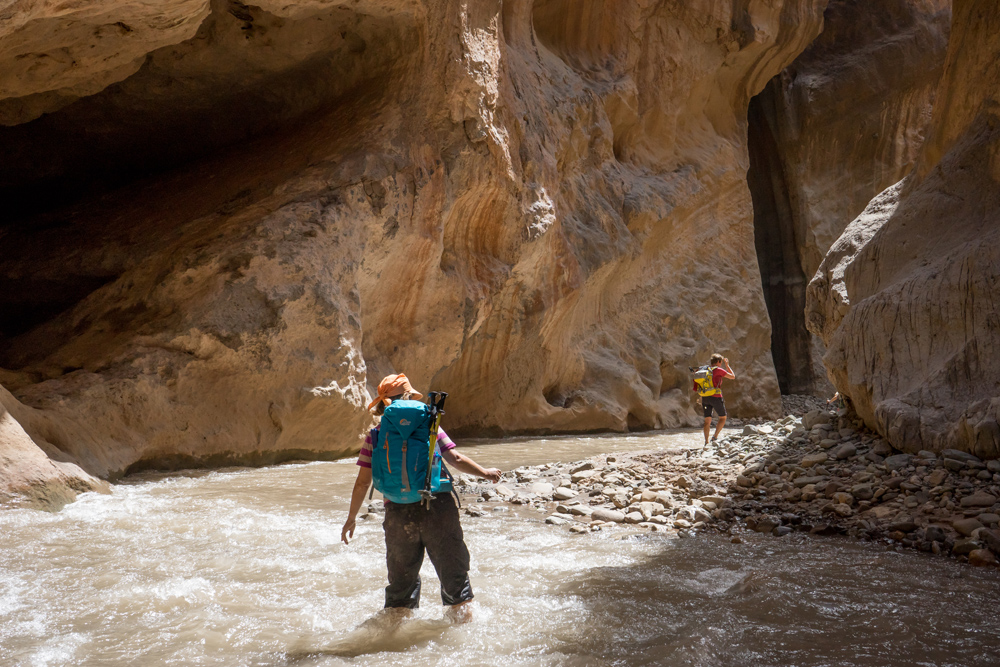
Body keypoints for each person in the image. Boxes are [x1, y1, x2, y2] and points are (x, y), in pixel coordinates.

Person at [341, 373, 502, 622]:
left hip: (397, 510)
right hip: (437, 507)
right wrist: (485, 472)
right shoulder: (430, 425)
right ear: (409, 396)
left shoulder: (376, 434)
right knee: (455, 578)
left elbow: (363, 481)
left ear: (384, 402)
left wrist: (351, 518)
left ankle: (393, 645)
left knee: (400, 587)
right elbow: (455, 459)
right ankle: (464, 637)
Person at [695, 353, 736, 445]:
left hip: (705, 397)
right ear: (718, 362)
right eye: (721, 362)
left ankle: (706, 441)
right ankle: (715, 437)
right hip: (716, 397)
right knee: (722, 417)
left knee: (707, 420)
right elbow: (733, 376)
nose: (721, 364)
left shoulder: (704, 369)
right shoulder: (718, 370)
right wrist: (727, 365)